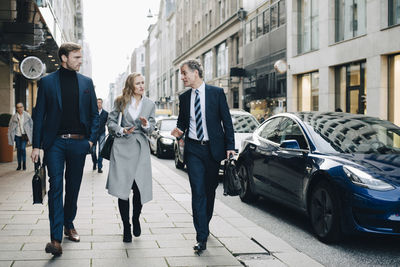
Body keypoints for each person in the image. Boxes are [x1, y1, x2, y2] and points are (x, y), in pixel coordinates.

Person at [31, 42, 99, 256]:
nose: (80, 61)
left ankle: (69, 223)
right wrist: (36, 145)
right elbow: (39, 115)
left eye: (81, 57)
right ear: (64, 58)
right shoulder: (47, 82)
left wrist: (90, 141)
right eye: (76, 57)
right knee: (56, 187)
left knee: (74, 187)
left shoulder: (87, 82)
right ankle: (55, 239)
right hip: (56, 144)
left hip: (79, 142)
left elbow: (94, 116)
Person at [171, 59, 235, 252]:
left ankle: (204, 225)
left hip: (213, 150)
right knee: (197, 192)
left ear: (195, 72)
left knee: (209, 190)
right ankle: (201, 236)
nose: (182, 77)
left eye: (184, 73)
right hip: (194, 150)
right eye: (181, 74)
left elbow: (227, 120)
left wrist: (230, 146)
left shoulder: (216, 93)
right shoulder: (184, 98)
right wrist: (179, 130)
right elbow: (183, 122)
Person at [106, 73, 155, 243]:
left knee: (139, 189)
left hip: (140, 150)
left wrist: (146, 124)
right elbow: (110, 122)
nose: (142, 86)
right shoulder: (120, 101)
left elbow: (152, 127)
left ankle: (135, 218)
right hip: (122, 149)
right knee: (123, 190)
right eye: (138, 83)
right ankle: (126, 226)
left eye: (143, 82)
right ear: (130, 85)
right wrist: (121, 130)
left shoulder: (149, 104)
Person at [8, 102, 33, 170]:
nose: (20, 108)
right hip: (17, 135)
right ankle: (19, 165)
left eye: (21, 107)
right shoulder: (14, 116)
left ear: (23, 107)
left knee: (22, 148)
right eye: (18, 107)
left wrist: (30, 133)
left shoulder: (27, 115)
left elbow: (31, 125)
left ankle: (24, 164)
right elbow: (10, 126)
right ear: (16, 109)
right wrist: (10, 134)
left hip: (24, 135)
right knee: (18, 150)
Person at [91, 98, 108, 173]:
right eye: (98, 103)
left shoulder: (106, 113)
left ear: (102, 103)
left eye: (100, 103)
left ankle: (100, 167)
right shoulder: (93, 113)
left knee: (101, 150)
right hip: (94, 134)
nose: (99, 104)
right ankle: (95, 162)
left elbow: (109, 123)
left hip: (102, 133)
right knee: (93, 151)